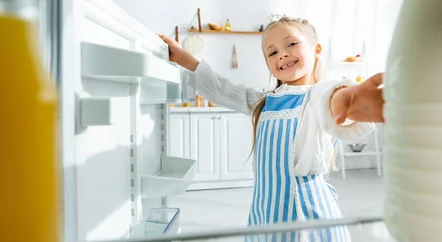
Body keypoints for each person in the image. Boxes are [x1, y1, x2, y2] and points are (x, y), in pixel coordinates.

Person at [159, 16, 384, 242]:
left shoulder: (317, 95)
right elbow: (220, 89)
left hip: (308, 216)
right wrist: (181, 56)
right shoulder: (263, 102)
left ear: (316, 50)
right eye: (272, 52)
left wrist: (349, 99)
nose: (282, 54)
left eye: (292, 44)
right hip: (265, 215)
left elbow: (332, 97)